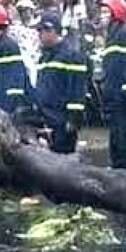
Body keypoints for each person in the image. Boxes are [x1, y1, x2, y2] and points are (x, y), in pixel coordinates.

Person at [33, 11, 90, 155]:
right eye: (39, 31)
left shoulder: (71, 56)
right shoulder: (44, 57)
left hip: (62, 123)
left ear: (55, 31)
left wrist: (73, 119)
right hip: (46, 121)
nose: (41, 35)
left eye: (45, 30)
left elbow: (77, 90)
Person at [98, 0, 126, 170]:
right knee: (116, 132)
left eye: (105, 12)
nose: (102, 16)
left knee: (124, 133)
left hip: (122, 96)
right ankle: (118, 165)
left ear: (115, 13)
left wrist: (124, 91)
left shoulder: (124, 33)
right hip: (114, 93)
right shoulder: (113, 34)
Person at [0, 3, 31, 116]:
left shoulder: (7, 46)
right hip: (2, 103)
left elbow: (16, 76)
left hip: (10, 106)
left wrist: (13, 106)